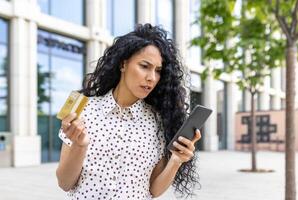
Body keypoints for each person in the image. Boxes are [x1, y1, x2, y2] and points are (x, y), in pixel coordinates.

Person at [56, 23, 201, 200]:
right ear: (123, 64)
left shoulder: (158, 121)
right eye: (145, 66)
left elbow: (153, 190)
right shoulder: (83, 109)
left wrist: (176, 160)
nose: (151, 78)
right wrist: (80, 146)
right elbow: (64, 183)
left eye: (158, 71)